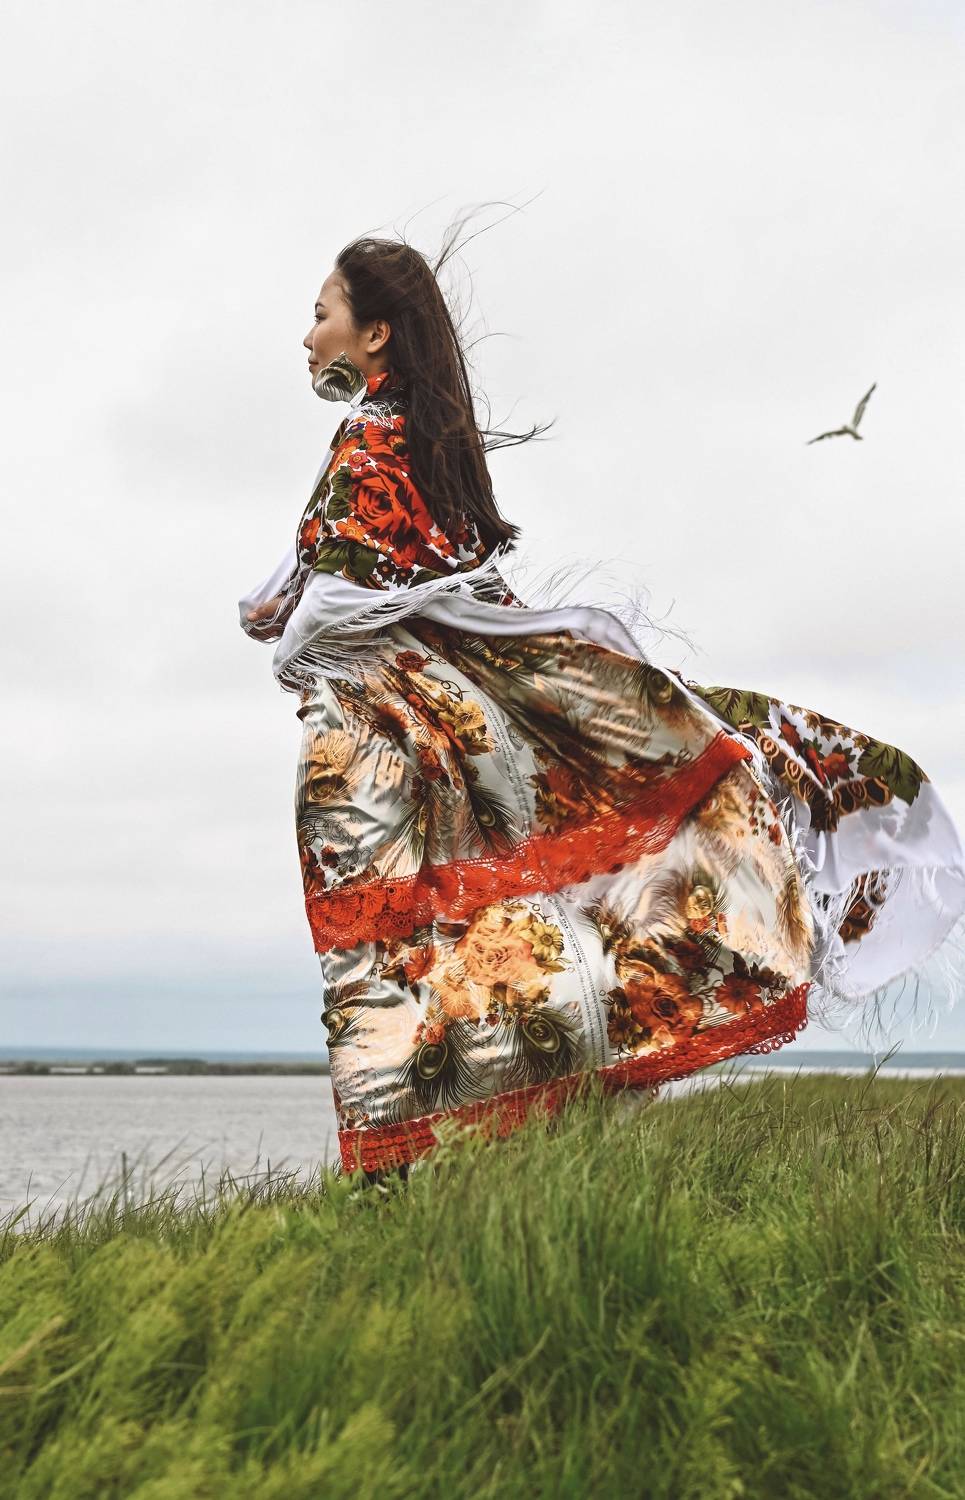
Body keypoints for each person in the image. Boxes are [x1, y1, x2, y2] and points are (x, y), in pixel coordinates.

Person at [239, 228, 965, 1181]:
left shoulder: (373, 439)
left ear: (373, 334)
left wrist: (286, 637)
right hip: (403, 721)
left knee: (390, 945)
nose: (306, 337)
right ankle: (512, 1129)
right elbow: (362, 570)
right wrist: (284, 596)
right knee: (481, 921)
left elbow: (339, 597)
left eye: (320, 315)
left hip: (378, 735)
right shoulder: (402, 431)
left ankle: (397, 1168)